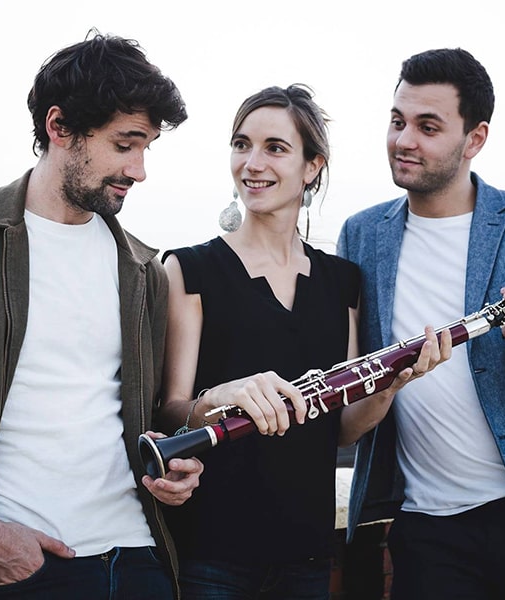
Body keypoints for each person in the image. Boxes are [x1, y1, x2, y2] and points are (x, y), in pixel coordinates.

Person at [156, 83, 451, 599]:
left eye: (275, 148)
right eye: (242, 144)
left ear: (312, 166)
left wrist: (391, 384)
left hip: (308, 553)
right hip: (211, 551)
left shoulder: (343, 281)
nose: (252, 163)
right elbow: (170, 411)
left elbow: (340, 430)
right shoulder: (189, 268)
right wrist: (221, 399)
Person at [0, 32, 204, 599]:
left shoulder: (144, 271)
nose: (139, 169)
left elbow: (139, 414)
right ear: (59, 127)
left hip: (139, 558)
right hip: (22, 563)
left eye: (146, 146)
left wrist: (171, 470)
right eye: (125, 144)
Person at [338, 47, 505, 600]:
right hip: (426, 525)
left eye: (428, 126)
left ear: (475, 139)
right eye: (397, 121)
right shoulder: (361, 235)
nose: (403, 140)